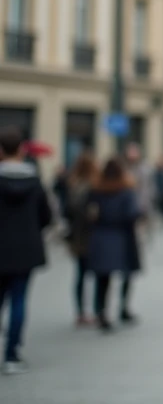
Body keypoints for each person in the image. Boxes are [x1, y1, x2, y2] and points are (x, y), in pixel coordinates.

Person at [0, 126, 53, 374]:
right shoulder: (34, 181)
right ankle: (12, 354)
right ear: (21, 150)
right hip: (26, 249)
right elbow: (46, 216)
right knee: (19, 300)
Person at [86, 158, 142, 333]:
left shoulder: (96, 190)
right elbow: (132, 213)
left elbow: (87, 211)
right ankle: (123, 308)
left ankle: (101, 312)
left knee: (103, 278)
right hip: (123, 236)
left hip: (101, 235)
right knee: (127, 273)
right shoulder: (126, 191)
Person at [63, 151, 98, 326]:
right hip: (93, 237)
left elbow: (67, 212)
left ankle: (80, 311)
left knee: (80, 275)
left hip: (77, 236)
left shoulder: (73, 185)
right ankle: (97, 310)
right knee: (98, 274)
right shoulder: (95, 186)